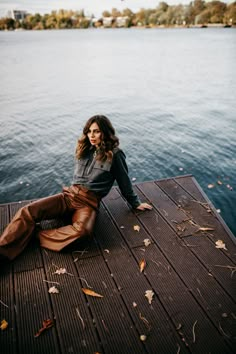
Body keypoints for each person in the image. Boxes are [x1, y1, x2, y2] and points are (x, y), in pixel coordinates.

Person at [0, 115, 152, 261]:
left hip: (88, 204)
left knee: (83, 232)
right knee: (27, 211)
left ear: (105, 132)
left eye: (96, 131)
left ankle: (36, 235)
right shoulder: (84, 148)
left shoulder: (115, 155)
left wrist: (135, 203)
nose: (91, 135)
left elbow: (124, 182)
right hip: (68, 196)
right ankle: (2, 251)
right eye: (89, 131)